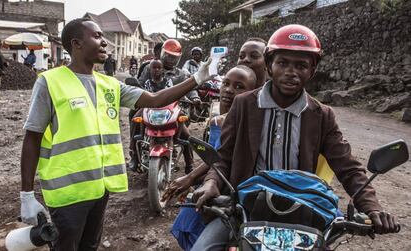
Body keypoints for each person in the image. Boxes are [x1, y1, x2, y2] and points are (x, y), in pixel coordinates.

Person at [191, 24, 399, 251]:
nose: (291, 72)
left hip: (302, 209)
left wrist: (372, 208)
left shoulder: (322, 115)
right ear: (269, 66)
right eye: (283, 63)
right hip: (244, 208)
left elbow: (348, 167)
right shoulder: (243, 105)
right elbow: (223, 156)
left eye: (301, 65)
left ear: (312, 70)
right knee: (202, 248)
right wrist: (211, 182)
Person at [19, 18, 214, 251]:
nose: (105, 43)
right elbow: (32, 138)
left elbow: (154, 99)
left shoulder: (109, 85)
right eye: (97, 36)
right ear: (76, 43)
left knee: (90, 246)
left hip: (100, 189)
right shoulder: (50, 82)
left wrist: (197, 79)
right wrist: (27, 194)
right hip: (67, 195)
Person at [163, 65, 257, 251]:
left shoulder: (252, 121)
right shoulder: (216, 119)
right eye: (226, 84)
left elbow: (221, 156)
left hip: (232, 186)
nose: (229, 90)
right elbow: (213, 154)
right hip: (212, 180)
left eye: (239, 87)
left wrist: (190, 177)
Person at [138, 39, 201, 104]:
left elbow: (189, 88)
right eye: (169, 56)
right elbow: (140, 84)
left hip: (172, 108)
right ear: (162, 54)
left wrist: (195, 97)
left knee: (186, 114)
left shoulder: (180, 74)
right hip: (150, 104)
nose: (171, 60)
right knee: (134, 112)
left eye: (174, 58)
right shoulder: (150, 68)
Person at [0, 39, 8, 105]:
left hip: (0, 71)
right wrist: (0, 71)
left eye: (0, 44)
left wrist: (5, 63)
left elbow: (2, 59)